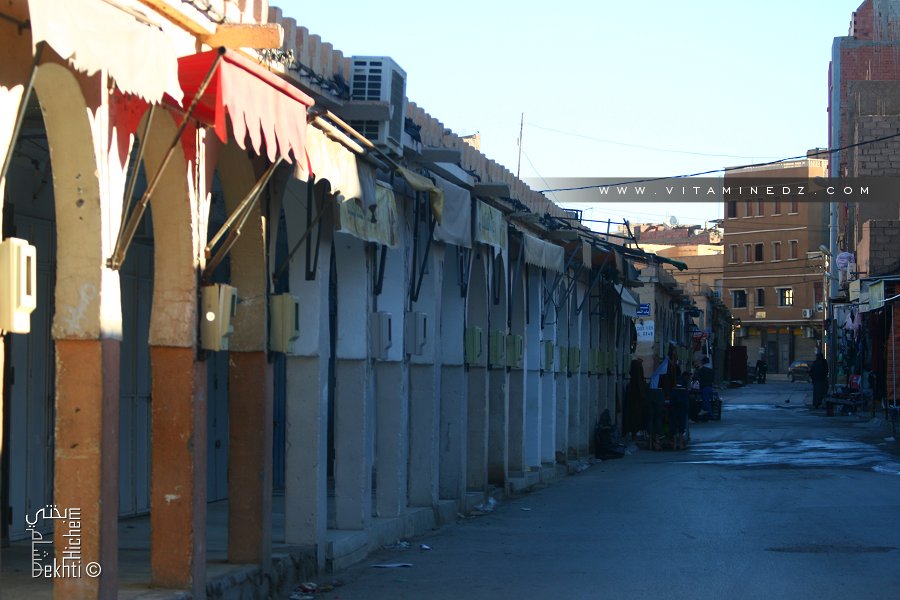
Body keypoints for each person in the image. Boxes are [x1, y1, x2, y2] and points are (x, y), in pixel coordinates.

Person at [623, 358, 648, 442]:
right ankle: (635, 435)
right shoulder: (638, 382)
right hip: (637, 401)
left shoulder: (631, 385)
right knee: (636, 417)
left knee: (634, 417)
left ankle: (634, 434)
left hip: (635, 401)